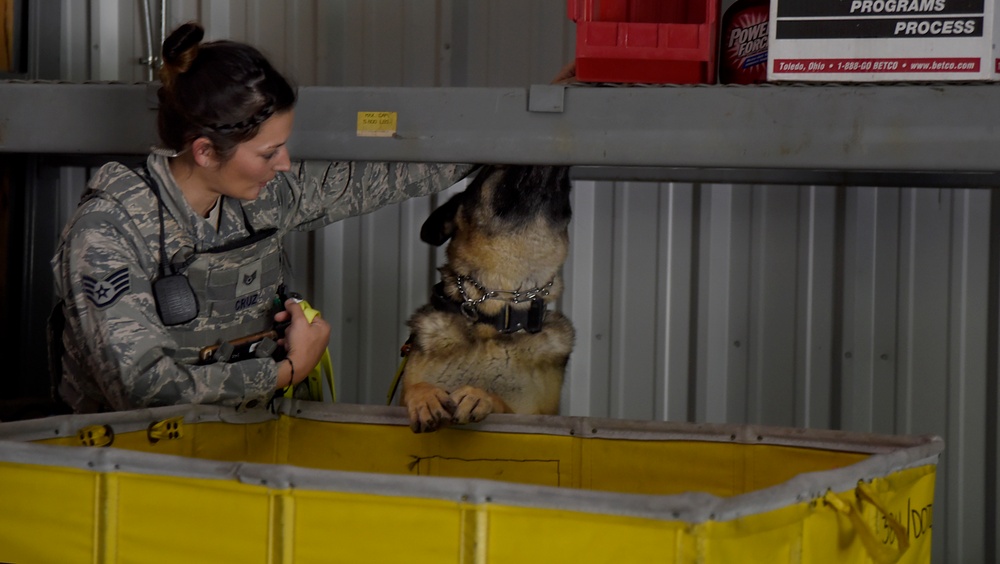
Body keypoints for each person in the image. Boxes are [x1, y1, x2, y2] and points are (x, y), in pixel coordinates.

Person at [49, 22, 474, 413]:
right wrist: (288, 370)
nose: (286, 164)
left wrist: (511, 141)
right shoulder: (109, 230)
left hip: (237, 454)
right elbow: (142, 389)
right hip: (131, 463)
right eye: (269, 153)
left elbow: (388, 177)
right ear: (204, 151)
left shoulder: (264, 198)